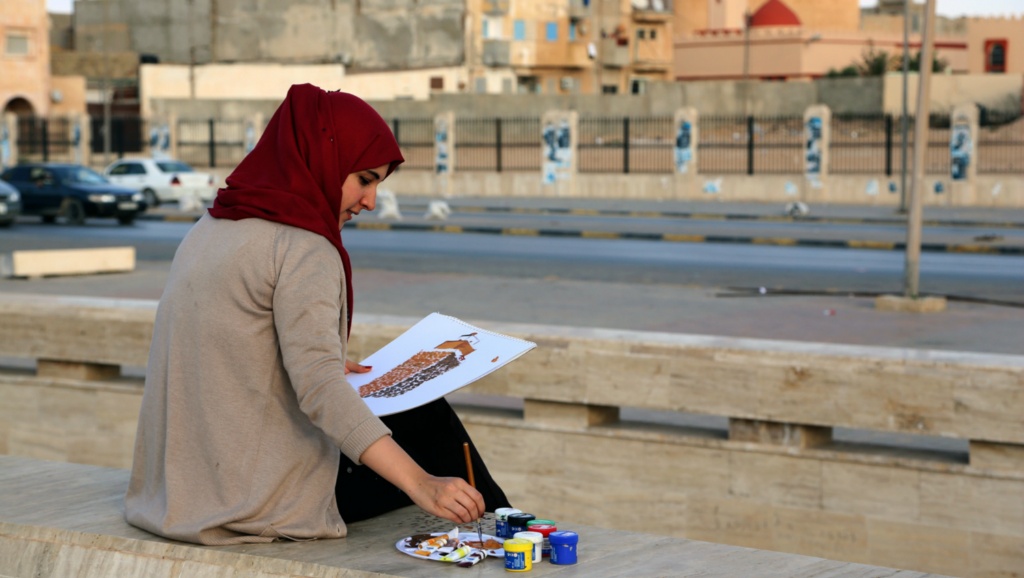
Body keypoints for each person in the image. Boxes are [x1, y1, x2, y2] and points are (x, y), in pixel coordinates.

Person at [125, 83, 509, 546]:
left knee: (395, 407)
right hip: (256, 503)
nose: (370, 201)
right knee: (426, 415)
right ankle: (512, 534)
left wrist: (304, 356)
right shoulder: (304, 247)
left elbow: (225, 342)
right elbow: (319, 387)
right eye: (364, 179)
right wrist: (422, 484)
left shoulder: (212, 226)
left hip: (179, 492)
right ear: (324, 159)